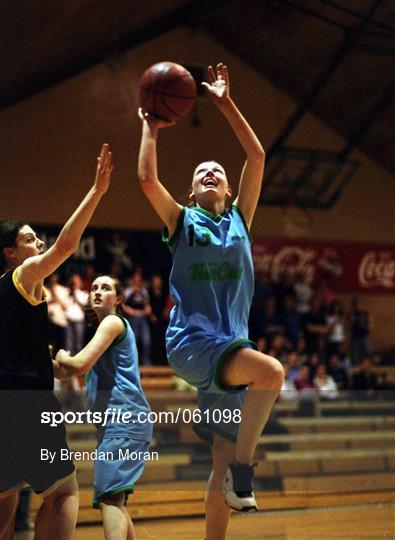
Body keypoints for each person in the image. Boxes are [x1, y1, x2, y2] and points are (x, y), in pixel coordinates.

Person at [138, 62, 284, 538]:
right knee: (273, 372)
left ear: (227, 187)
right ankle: (245, 469)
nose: (210, 173)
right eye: (201, 171)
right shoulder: (182, 221)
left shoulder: (242, 217)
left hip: (228, 349)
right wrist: (151, 128)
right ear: (191, 191)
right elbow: (145, 181)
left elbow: (257, 156)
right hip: (193, 342)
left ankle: (226, 494)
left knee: (218, 463)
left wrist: (224, 104)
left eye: (217, 171)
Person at [0, 144, 113, 540]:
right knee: (65, 491)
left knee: (6, 497)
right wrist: (96, 192)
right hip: (27, 405)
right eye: (30, 240)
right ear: (10, 253)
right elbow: (67, 245)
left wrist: (51, 356)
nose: (39, 244)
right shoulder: (23, 275)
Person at [54, 275, 152, 540]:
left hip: (124, 420)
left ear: (118, 299)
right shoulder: (104, 329)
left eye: (106, 288)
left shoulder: (111, 322)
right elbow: (66, 373)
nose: (98, 291)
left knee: (109, 500)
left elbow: (77, 365)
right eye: (94, 287)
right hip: (121, 423)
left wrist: (61, 355)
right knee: (115, 500)